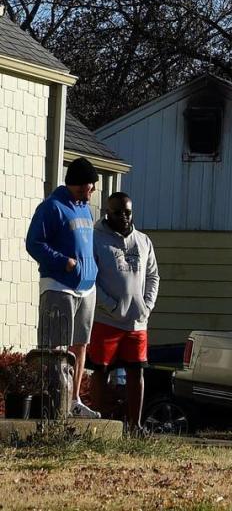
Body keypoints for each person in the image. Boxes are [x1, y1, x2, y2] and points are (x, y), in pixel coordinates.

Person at [25, 157, 101, 418]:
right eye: (83, 188)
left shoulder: (85, 209)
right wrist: (64, 262)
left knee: (80, 345)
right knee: (55, 346)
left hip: (86, 288)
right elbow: (34, 243)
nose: (88, 193)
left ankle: (74, 400)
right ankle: (52, 401)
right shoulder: (51, 207)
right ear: (71, 184)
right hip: (59, 285)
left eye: (91, 188)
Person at [88, 192, 159, 431]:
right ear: (108, 212)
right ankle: (100, 424)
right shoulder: (95, 239)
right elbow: (91, 279)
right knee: (100, 371)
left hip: (137, 323)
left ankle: (135, 425)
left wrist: (146, 306)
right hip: (106, 320)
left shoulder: (143, 241)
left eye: (127, 211)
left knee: (136, 371)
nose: (123, 216)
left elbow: (152, 276)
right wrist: (111, 306)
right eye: (117, 212)